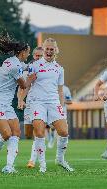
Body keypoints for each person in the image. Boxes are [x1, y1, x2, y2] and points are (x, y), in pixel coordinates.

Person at [0, 32, 35, 174]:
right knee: (6, 133)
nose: (28, 55)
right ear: (23, 52)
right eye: (28, 53)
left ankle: (9, 166)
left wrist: (33, 65)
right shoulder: (14, 67)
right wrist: (32, 76)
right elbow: (24, 85)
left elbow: (25, 66)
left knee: (16, 131)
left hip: (5, 103)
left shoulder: (13, 61)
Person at [26, 38, 74, 173]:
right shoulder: (34, 66)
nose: (48, 51)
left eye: (51, 49)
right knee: (40, 132)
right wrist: (22, 100)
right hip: (37, 102)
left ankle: (60, 159)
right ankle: (42, 165)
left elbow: (60, 90)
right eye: (46, 49)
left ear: (55, 51)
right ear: (43, 50)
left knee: (64, 132)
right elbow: (27, 85)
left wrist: (61, 107)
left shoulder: (59, 69)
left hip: (54, 102)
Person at [17, 46, 44, 169]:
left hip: (41, 103)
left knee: (37, 132)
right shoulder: (27, 69)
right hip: (29, 104)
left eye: (41, 55)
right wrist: (20, 100)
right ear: (33, 56)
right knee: (28, 133)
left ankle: (32, 160)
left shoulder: (48, 69)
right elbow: (21, 87)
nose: (39, 57)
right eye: (37, 55)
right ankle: (38, 147)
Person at [47, 85, 72, 149]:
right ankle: (52, 137)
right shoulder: (51, 86)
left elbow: (70, 101)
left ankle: (62, 144)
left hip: (62, 110)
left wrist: (63, 101)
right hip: (52, 109)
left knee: (63, 128)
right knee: (52, 126)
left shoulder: (66, 89)